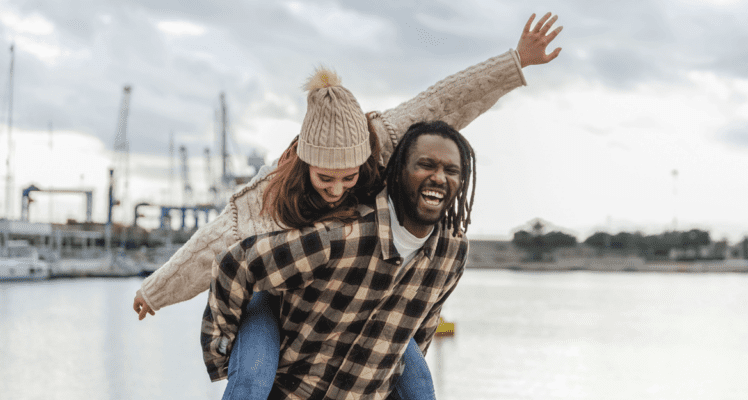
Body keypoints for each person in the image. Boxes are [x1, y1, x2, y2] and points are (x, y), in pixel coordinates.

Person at [134, 11, 563, 399]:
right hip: (277, 295)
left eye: (349, 177)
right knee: (253, 378)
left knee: (417, 380)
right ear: (306, 163)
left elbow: (445, 102)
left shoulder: (386, 139)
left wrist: (516, 62)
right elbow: (211, 248)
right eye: (325, 179)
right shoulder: (268, 198)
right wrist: (155, 292)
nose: (337, 189)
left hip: (349, 295)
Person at [202, 120, 476, 399]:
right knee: (250, 383)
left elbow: (422, 328)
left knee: (421, 388)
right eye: (425, 165)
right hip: (288, 379)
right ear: (398, 172)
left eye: (451, 170)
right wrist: (224, 349)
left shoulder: (452, 251)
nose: (439, 177)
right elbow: (235, 263)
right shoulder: (339, 236)